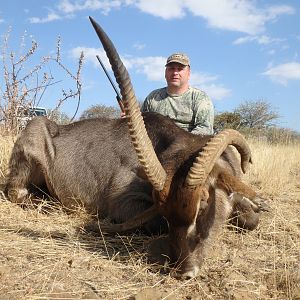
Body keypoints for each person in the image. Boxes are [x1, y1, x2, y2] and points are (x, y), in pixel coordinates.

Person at [141, 53, 214, 135]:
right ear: (165, 72)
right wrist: (129, 119)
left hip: (190, 145)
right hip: (155, 144)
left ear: (188, 73)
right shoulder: (153, 97)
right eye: (171, 69)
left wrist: (180, 144)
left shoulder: (200, 98)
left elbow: (205, 129)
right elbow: (141, 123)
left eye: (180, 69)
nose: (175, 73)